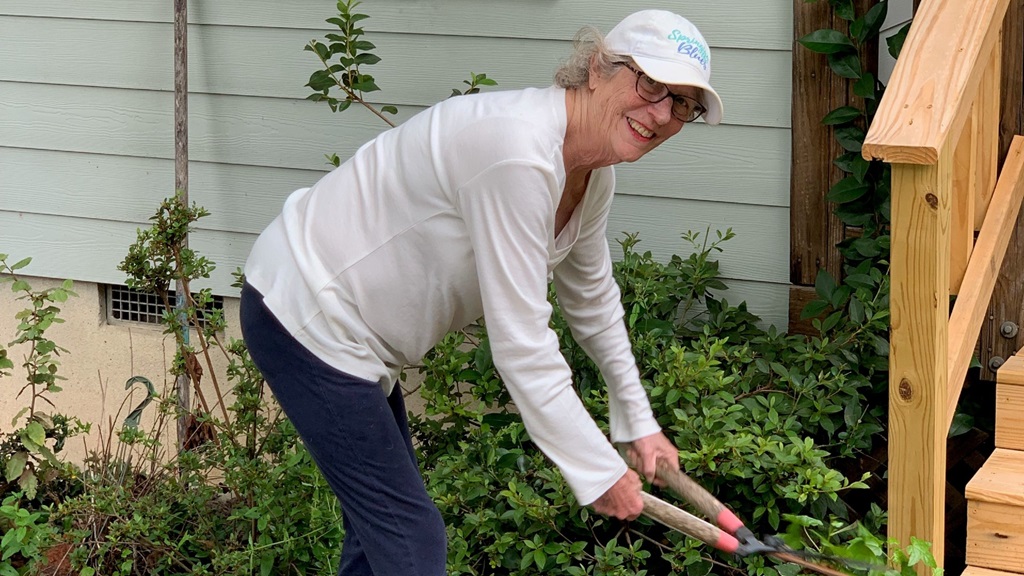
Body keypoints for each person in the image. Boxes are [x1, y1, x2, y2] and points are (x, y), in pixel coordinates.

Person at [239, 9, 724, 576]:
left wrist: (636, 421)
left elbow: (591, 300)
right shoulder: (517, 150)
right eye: (651, 84)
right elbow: (521, 345)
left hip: (354, 338)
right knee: (412, 543)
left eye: (683, 104)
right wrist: (597, 470)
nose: (662, 113)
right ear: (597, 69)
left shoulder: (591, 174)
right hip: (308, 314)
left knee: (381, 547)